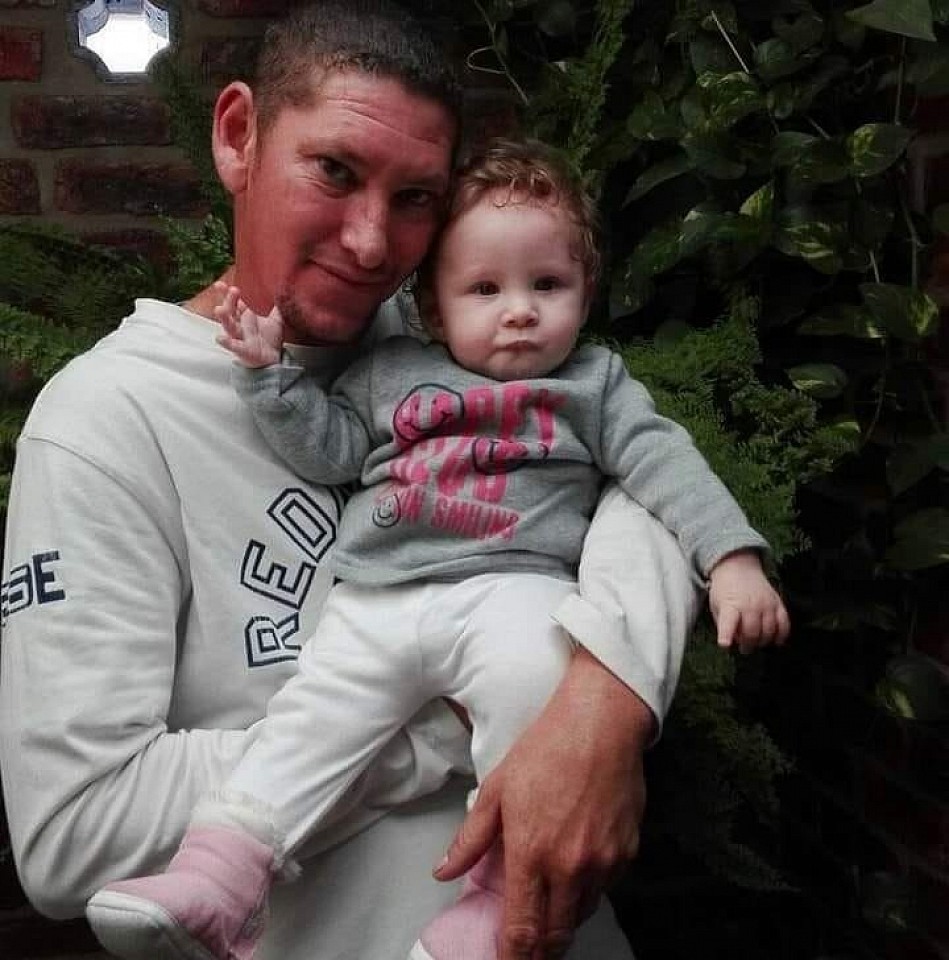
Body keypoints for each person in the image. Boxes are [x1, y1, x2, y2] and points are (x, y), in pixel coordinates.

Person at [1, 3, 713, 959]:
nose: (373, 243)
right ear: (239, 136)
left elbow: (640, 472)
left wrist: (604, 703)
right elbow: (73, 834)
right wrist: (450, 725)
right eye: (334, 171)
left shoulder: (454, 331)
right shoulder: (106, 419)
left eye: (415, 197)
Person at [83, 138, 789, 960]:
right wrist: (269, 378)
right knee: (307, 726)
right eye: (485, 289)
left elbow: (664, 466)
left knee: (537, 703)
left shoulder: (593, 385)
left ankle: (498, 902)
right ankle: (219, 874)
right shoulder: (390, 372)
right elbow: (332, 453)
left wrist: (729, 559)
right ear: (433, 308)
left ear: (585, 291)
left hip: (515, 589)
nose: (518, 310)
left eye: (547, 285)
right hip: (378, 597)